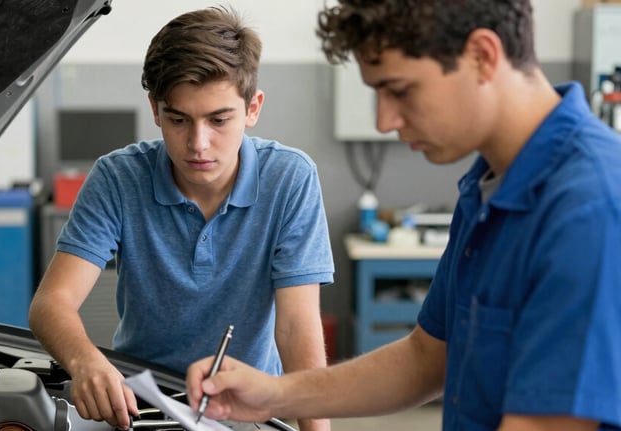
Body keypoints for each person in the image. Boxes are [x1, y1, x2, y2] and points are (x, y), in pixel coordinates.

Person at [186, 1, 621, 430]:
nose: (383, 120)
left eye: (399, 90)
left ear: (482, 57)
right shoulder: (488, 186)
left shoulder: (588, 204)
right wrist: (275, 394)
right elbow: (427, 358)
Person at [28, 5, 334, 431]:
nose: (198, 143)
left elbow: (297, 328)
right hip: (140, 408)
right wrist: (86, 362)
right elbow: (52, 303)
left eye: (219, 119)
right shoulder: (117, 178)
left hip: (246, 409)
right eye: (178, 119)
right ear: (155, 109)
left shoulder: (290, 178)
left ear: (252, 108)